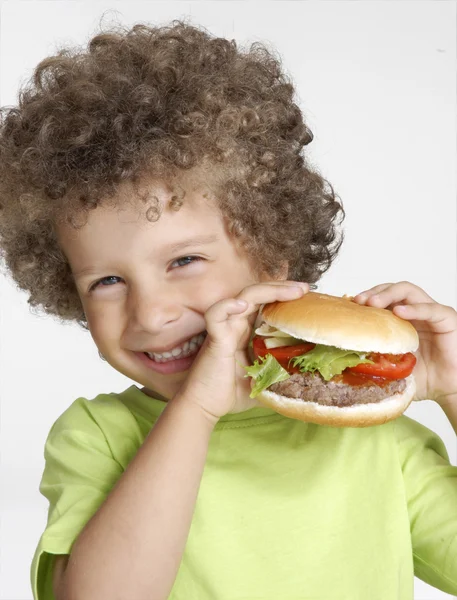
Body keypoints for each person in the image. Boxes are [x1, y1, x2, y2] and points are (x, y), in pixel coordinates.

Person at [0, 19, 456, 600]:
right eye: (108, 280)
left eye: (184, 260)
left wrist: (453, 388)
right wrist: (197, 411)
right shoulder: (99, 436)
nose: (152, 313)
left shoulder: (372, 440)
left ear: (274, 255)